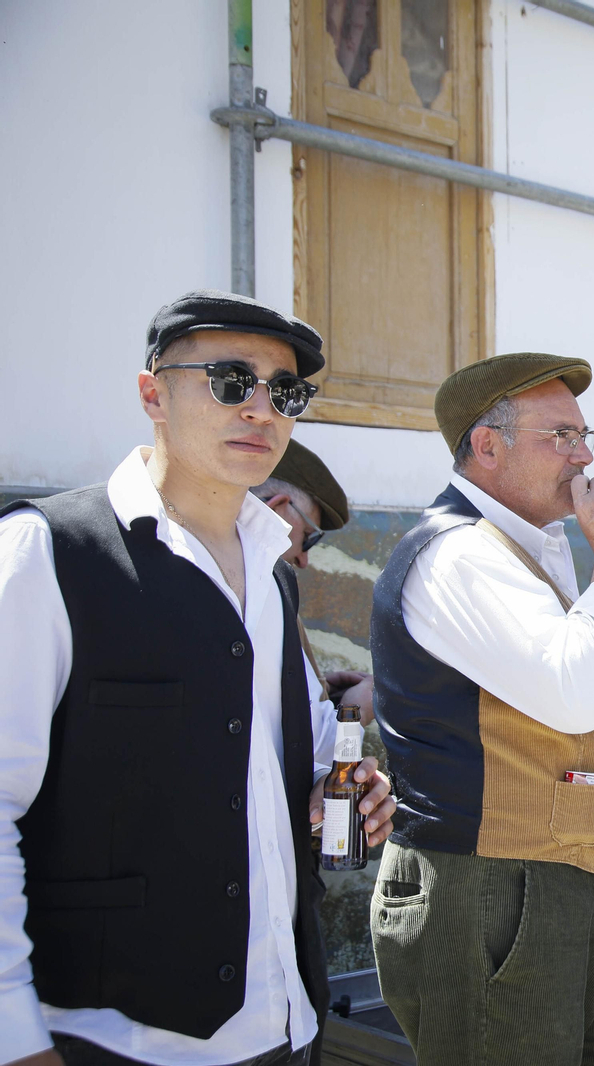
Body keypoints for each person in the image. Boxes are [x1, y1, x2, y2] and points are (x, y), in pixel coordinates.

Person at [0, 290, 395, 1066]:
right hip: (110, 1039)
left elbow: (268, 770)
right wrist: (14, 1037)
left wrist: (330, 793)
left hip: (285, 1024)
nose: (260, 409)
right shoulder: (45, 555)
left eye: (284, 392)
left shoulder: (272, 578)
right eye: (227, 381)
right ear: (153, 392)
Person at [368, 352, 594, 1066]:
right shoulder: (459, 553)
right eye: (560, 436)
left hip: (548, 891)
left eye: (586, 436)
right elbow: (576, 695)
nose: (585, 456)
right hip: (488, 895)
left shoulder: (524, 547)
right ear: (485, 446)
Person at [251, 439, 373, 720]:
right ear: (278, 509)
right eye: (308, 538)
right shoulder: (261, 592)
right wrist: (353, 714)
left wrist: (311, 688)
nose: (303, 560)